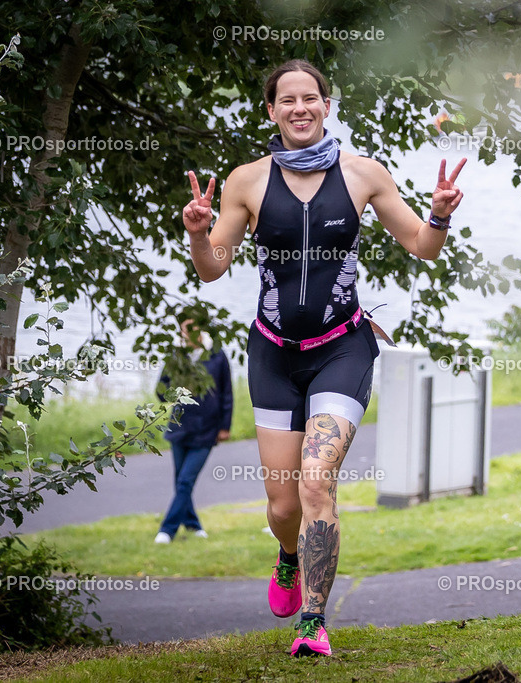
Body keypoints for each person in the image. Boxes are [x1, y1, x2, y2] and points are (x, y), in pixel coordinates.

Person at [180, 59, 466, 657]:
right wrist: (199, 233)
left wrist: (438, 212)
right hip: (274, 356)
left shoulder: (363, 175)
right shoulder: (247, 182)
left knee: (317, 483)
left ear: (327, 106)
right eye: (288, 100)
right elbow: (211, 271)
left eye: (311, 98)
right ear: (271, 111)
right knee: (284, 506)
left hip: (342, 348)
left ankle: (312, 622)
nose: (300, 108)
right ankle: (288, 557)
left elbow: (423, 248)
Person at [154, 320, 233, 544]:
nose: (189, 332)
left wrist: (225, 426)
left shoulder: (217, 354)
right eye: (185, 328)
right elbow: (160, 389)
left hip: (207, 429)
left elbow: (227, 391)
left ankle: (167, 530)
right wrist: (178, 399)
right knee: (181, 480)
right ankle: (193, 525)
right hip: (179, 427)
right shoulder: (176, 355)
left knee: (185, 481)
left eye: (194, 327)